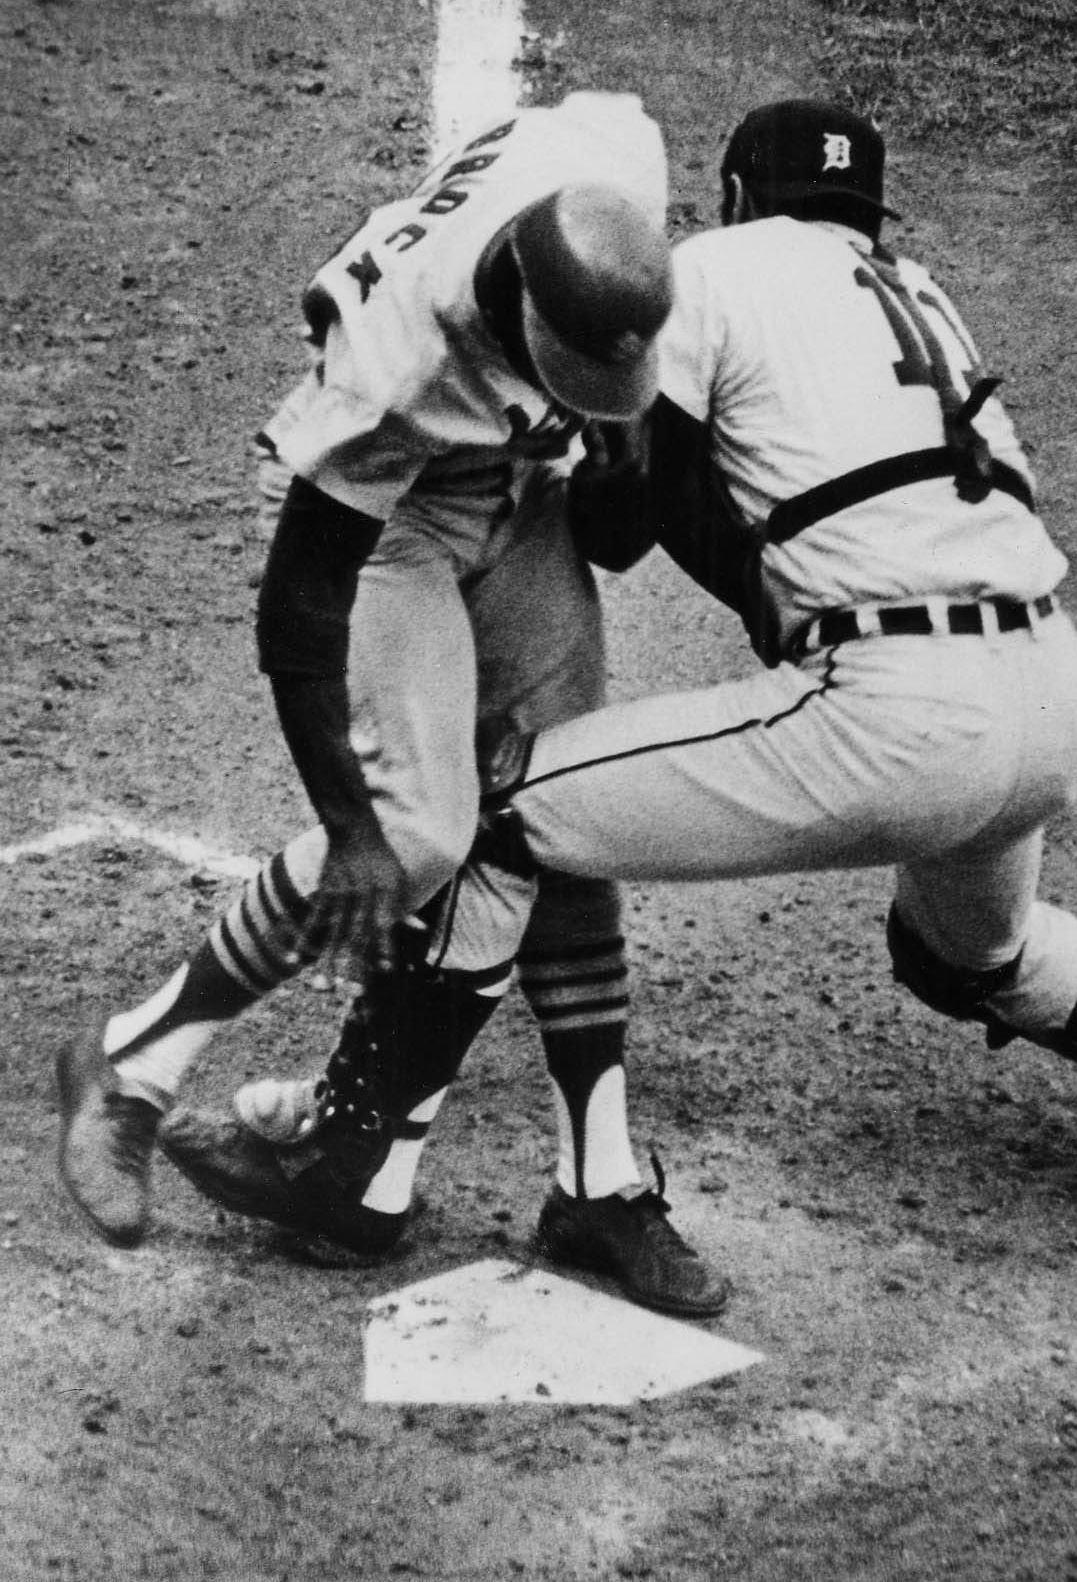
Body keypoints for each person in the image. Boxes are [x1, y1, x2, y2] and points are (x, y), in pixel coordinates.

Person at [158, 97, 1077, 1292]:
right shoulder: (920, 299)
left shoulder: (700, 274)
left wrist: (619, 483)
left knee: (499, 801)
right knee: (984, 953)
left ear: (738, 197)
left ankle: (361, 1164)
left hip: (903, 715)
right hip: (1045, 696)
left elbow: (618, 526)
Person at [54, 89, 730, 1319]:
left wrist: (624, 435)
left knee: (568, 797)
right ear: (512, 314)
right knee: (421, 833)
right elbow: (298, 604)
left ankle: (601, 1180)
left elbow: (627, 514)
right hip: (395, 532)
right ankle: (131, 1064)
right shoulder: (396, 366)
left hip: (511, 500)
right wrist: (353, 831)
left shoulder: (612, 167)